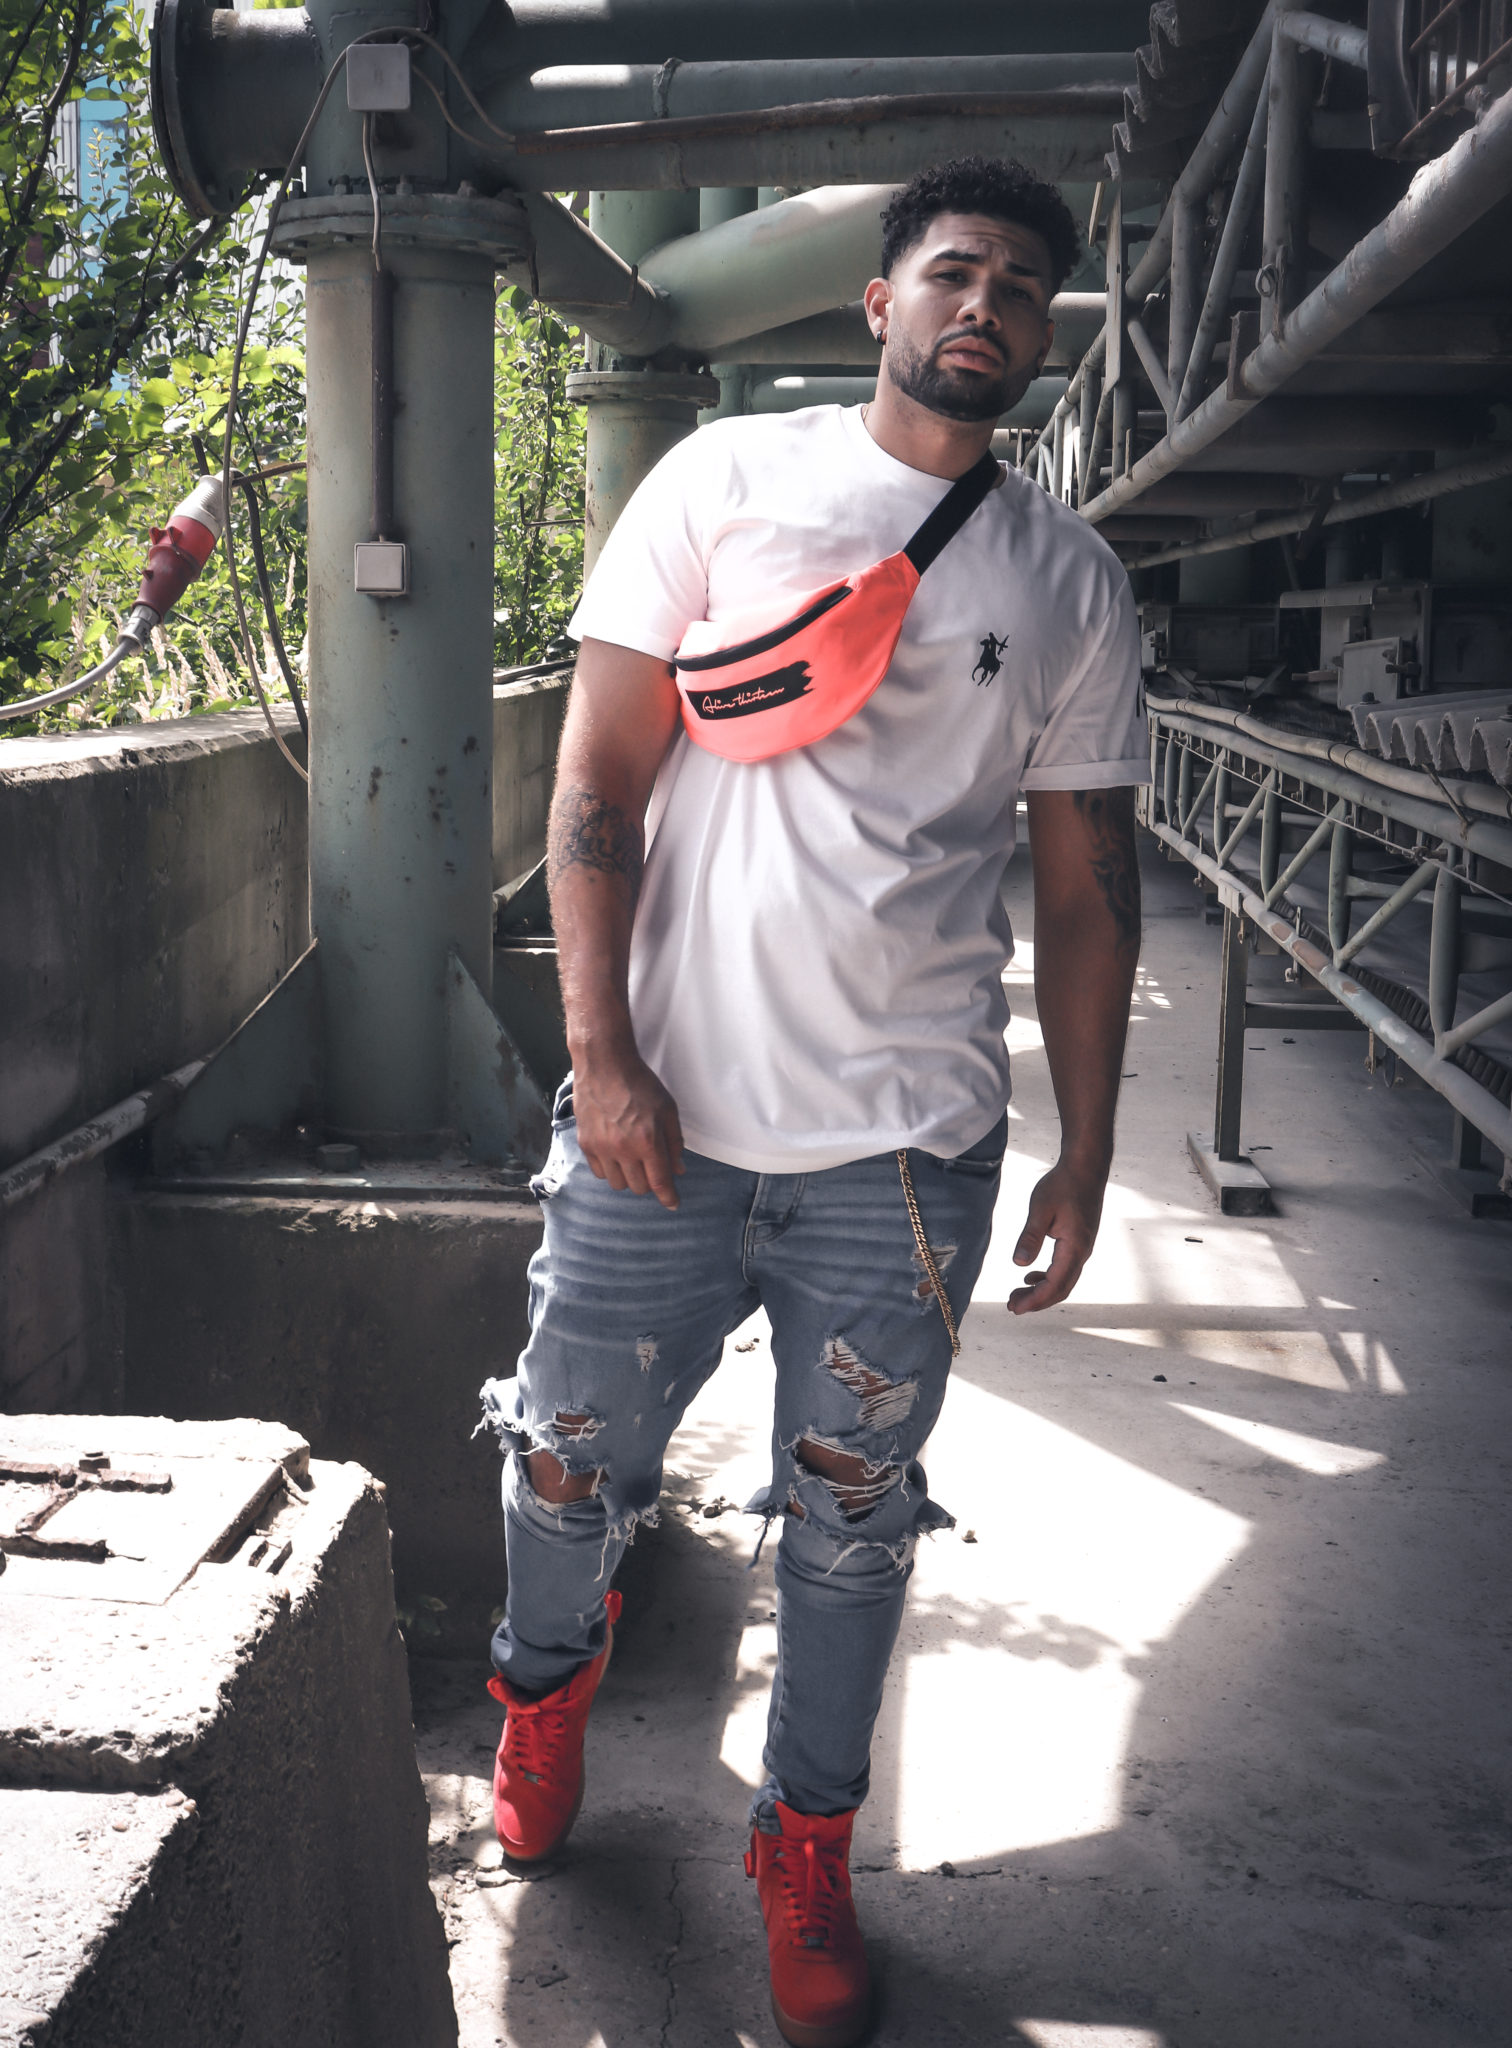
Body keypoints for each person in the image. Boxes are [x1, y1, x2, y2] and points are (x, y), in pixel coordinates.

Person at [479, 155, 1146, 2048]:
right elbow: (598, 786)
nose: (984, 304)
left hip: (904, 1154)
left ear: (1042, 332)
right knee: (564, 1468)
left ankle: (810, 1845)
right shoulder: (724, 481)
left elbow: (1089, 892)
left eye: (1021, 286)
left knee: (854, 1527)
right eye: (953, 271)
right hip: (662, 1126)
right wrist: (602, 1058)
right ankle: (543, 1691)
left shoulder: (1068, 581)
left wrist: (1091, 1150)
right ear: (880, 303)